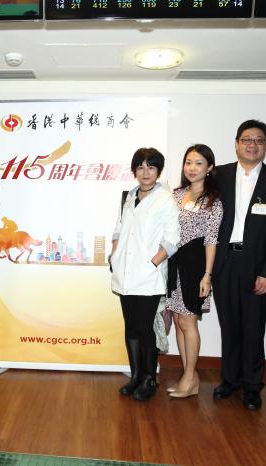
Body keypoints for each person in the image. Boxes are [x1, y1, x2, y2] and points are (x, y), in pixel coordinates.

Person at [212, 119, 266, 410]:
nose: (252, 144)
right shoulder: (218, 175)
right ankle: (230, 379)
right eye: (247, 139)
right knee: (229, 325)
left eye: (259, 140)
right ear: (236, 144)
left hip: (257, 265)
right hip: (223, 262)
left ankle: (252, 385)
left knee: (254, 327)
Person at [110, 148, 180, 402]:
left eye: (151, 167)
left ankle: (150, 379)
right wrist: (114, 256)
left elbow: (173, 238)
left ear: (158, 171)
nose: (145, 172)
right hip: (125, 273)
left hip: (148, 276)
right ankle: (136, 376)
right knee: (131, 327)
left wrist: (153, 263)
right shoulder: (130, 195)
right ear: (135, 171)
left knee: (145, 328)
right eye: (140, 167)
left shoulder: (165, 198)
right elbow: (119, 229)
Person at [165, 144, 223, 399]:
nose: (192, 167)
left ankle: (190, 376)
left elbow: (211, 240)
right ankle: (188, 376)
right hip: (173, 265)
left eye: (199, 163)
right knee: (178, 320)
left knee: (188, 321)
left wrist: (207, 276)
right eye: (188, 162)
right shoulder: (176, 194)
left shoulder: (213, 201)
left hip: (195, 267)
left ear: (209, 168)